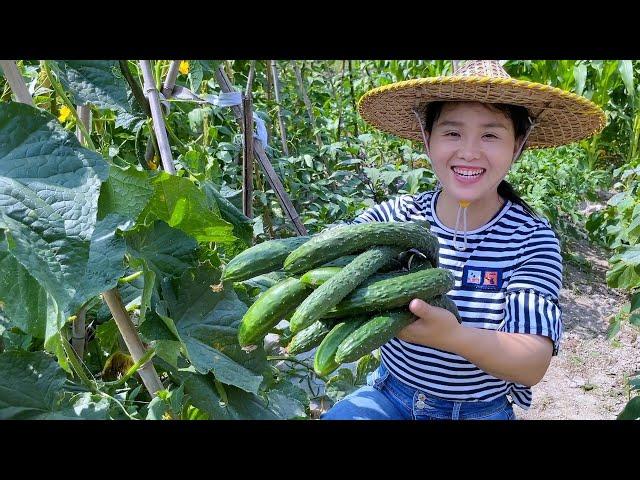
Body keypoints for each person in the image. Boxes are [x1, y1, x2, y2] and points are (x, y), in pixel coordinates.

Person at [321, 60, 606, 420]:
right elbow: (332, 245)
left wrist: (452, 336)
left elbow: (531, 362)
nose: (469, 151)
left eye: (490, 135)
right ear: (427, 138)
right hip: (390, 396)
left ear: (517, 145)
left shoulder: (531, 239)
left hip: (479, 411)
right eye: (452, 133)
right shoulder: (398, 216)